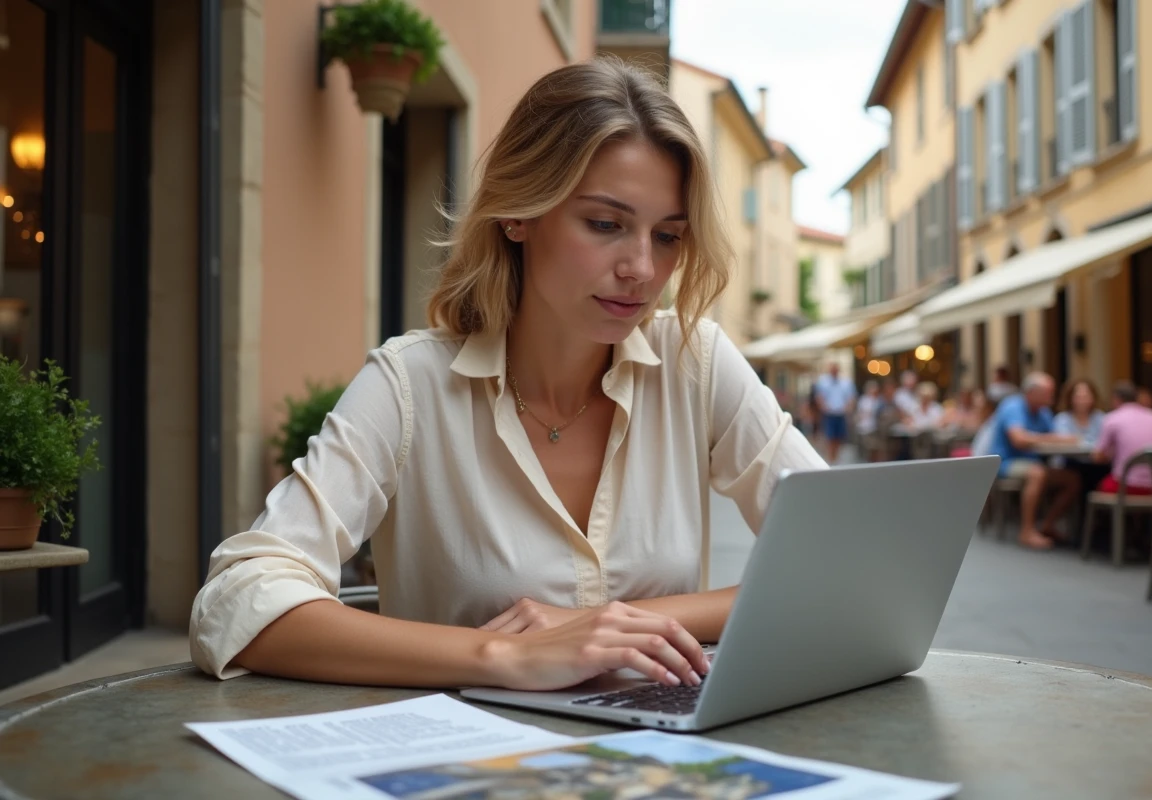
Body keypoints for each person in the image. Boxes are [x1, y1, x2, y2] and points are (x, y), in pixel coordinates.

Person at [188, 59, 827, 692]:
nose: (641, 267)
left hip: (655, 768)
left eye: (667, 237)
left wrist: (600, 625)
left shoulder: (697, 364)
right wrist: (506, 655)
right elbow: (239, 600)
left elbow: (845, 560)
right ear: (518, 214)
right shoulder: (409, 386)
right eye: (606, 225)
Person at [991, 372, 1082, 550]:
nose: (1051, 397)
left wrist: (1056, 439)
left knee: (1073, 479)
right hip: (1005, 463)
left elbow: (1054, 436)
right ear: (1032, 392)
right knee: (1037, 473)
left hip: (1033, 462)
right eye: (1048, 393)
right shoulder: (1012, 406)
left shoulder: (1043, 412)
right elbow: (1019, 440)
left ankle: (1048, 524)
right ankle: (1026, 531)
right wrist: (1057, 439)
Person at [1093, 381, 1152, 495]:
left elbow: (1098, 457)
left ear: (1115, 399)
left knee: (1099, 486)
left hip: (1127, 486)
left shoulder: (1113, 418)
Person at [814, 362, 856, 463]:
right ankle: (831, 458)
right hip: (829, 414)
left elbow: (851, 397)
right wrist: (824, 408)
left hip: (840, 413)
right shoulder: (823, 381)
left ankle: (835, 458)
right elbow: (819, 397)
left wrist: (848, 408)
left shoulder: (845, 382)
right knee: (830, 437)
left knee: (839, 437)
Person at [1052, 378, 1106, 448]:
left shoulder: (1101, 418)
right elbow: (1061, 440)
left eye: (1086, 397)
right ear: (1070, 398)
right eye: (1078, 397)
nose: (1082, 401)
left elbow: (1105, 442)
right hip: (1067, 457)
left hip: (1094, 458)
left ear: (1093, 398)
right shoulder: (1062, 419)